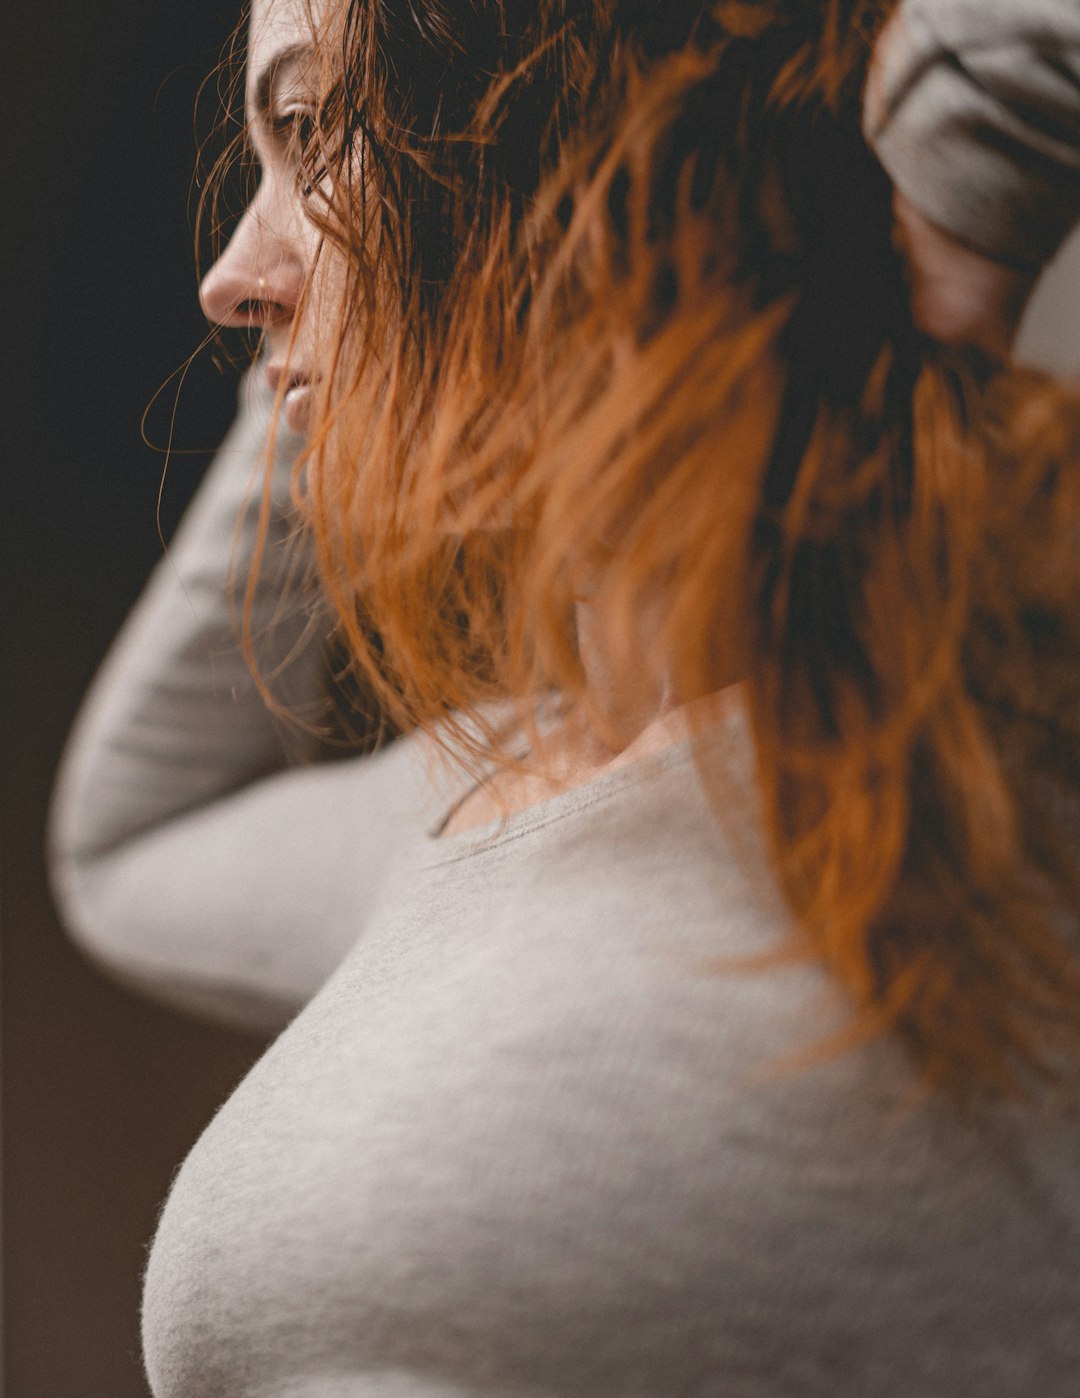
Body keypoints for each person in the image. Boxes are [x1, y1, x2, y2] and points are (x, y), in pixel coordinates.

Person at [48, 0, 1080, 1393]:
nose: (227, 279)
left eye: (307, 134)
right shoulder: (486, 799)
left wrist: (957, 184)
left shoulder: (981, 740)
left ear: (580, 163)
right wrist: (325, 370)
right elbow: (125, 840)